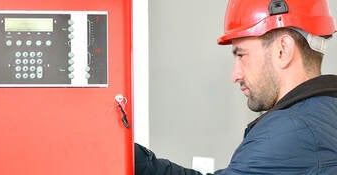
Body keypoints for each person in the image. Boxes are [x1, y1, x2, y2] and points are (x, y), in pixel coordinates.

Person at [135, 0, 337, 174]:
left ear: (282, 50)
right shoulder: (324, 112)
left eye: (241, 55)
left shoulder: (292, 129)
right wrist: (137, 161)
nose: (235, 75)